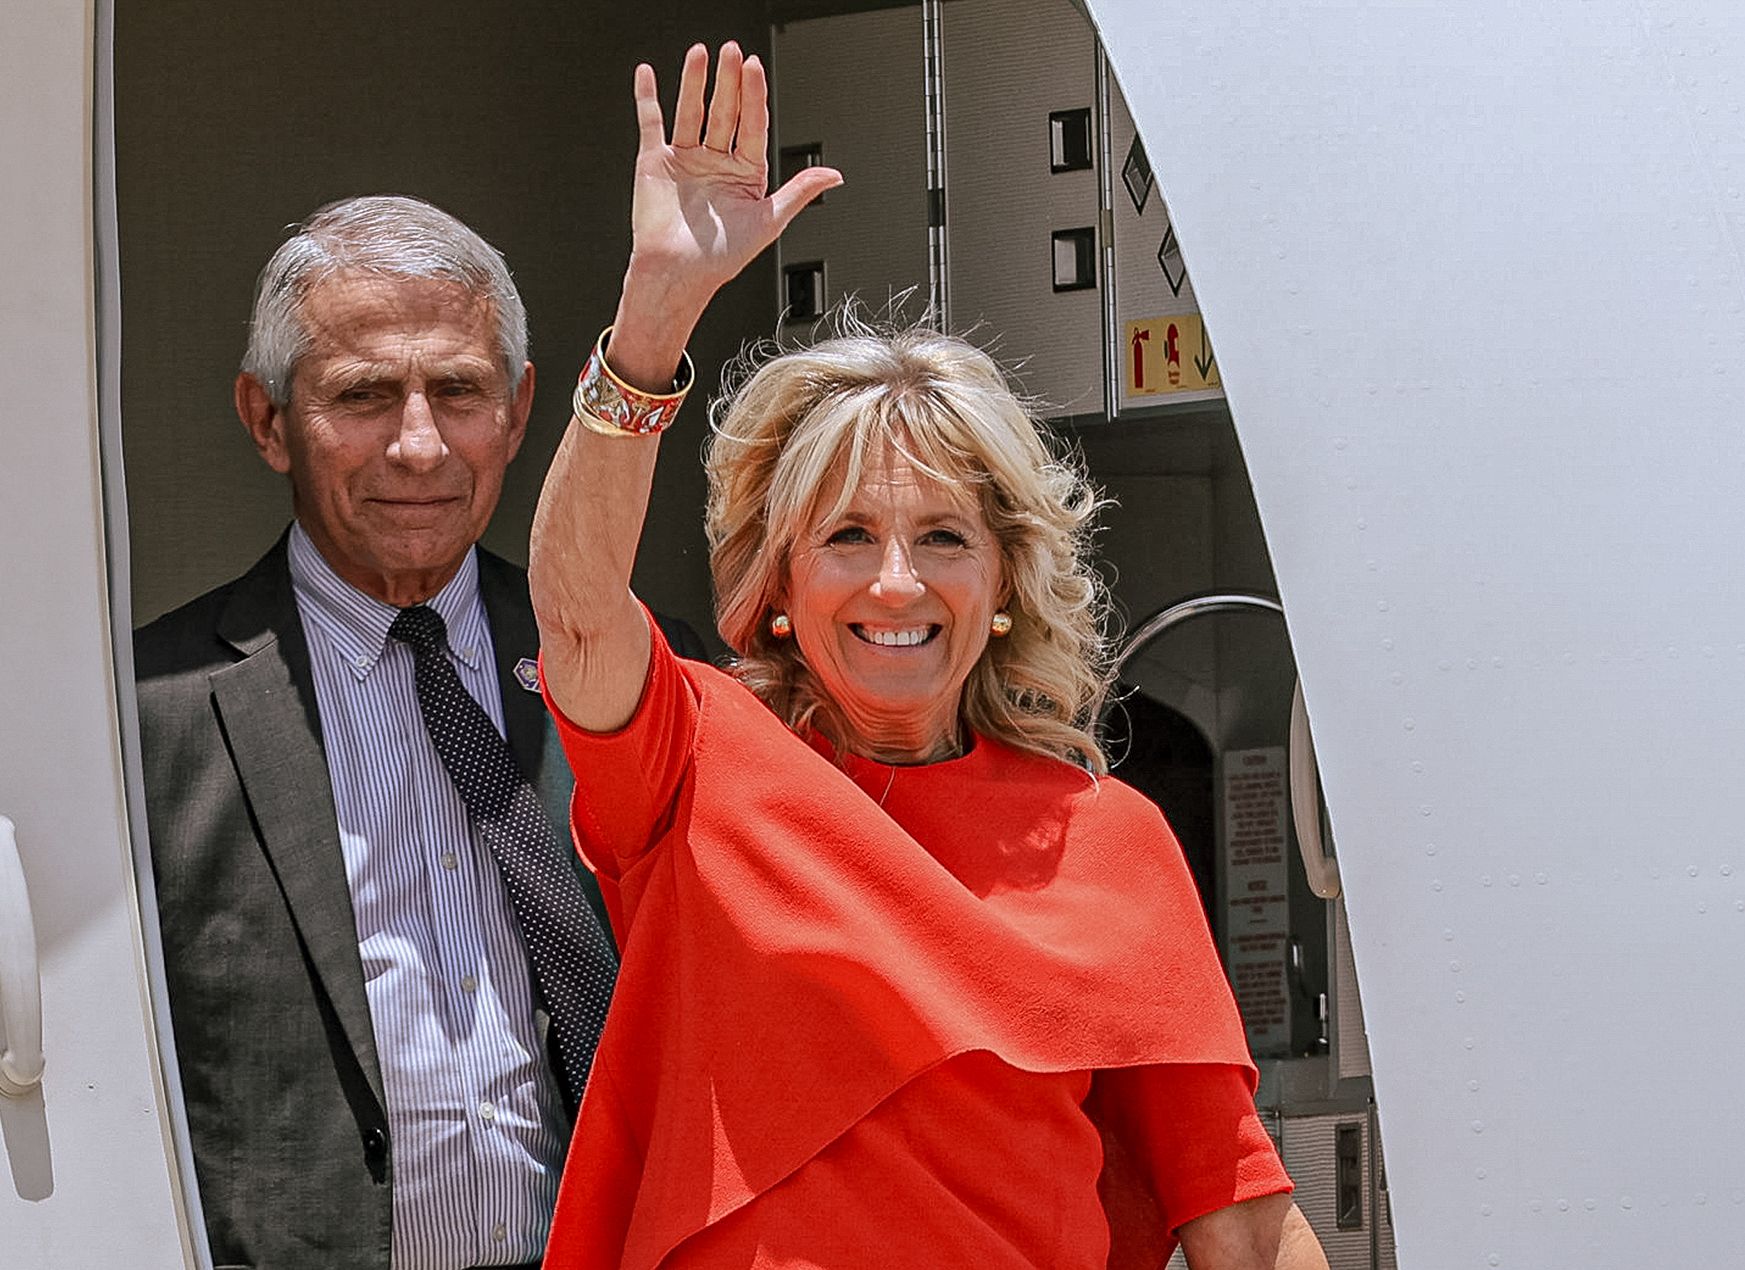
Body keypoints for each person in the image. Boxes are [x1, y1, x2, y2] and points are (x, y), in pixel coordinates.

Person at [529, 42, 1329, 1270]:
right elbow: (579, 607)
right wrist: (656, 316)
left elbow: (1239, 1212)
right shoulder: (698, 764)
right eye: (847, 535)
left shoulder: (1111, 842)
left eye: (944, 536)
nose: (896, 582)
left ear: (1003, 582)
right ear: (778, 587)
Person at [134, 195, 704, 1270]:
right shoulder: (151, 712)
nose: (417, 443)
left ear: (522, 408)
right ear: (266, 420)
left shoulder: (635, 672)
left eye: (458, 389)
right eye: (361, 395)